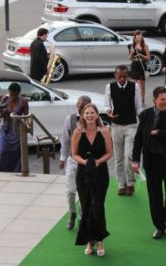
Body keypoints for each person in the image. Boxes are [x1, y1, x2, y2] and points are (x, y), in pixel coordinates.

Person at [132, 86, 166, 239]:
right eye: (162, 99)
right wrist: (135, 160)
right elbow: (139, 138)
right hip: (151, 162)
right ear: (154, 100)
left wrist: (158, 133)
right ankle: (159, 226)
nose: (165, 102)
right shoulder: (145, 115)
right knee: (154, 197)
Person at [72, 104, 112, 257]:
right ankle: (89, 241)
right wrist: (86, 163)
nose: (89, 115)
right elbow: (74, 154)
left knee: (98, 206)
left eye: (92, 113)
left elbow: (109, 153)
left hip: (101, 173)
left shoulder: (105, 131)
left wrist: (97, 161)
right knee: (87, 206)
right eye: (86, 113)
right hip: (83, 174)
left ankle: (100, 239)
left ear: (97, 115)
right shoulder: (77, 132)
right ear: (82, 115)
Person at [104, 65, 142, 196]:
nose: (122, 79)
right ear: (115, 76)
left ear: (128, 76)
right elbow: (107, 105)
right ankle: (121, 184)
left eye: (124, 76)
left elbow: (138, 107)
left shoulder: (134, 87)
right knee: (118, 158)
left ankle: (130, 183)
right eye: (119, 76)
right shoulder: (110, 87)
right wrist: (109, 113)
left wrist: (142, 121)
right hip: (116, 126)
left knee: (128, 156)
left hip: (131, 125)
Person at [59, 95, 92, 230]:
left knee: (84, 192)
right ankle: (72, 212)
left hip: (86, 162)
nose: (81, 107)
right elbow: (65, 139)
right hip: (73, 160)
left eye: (84, 105)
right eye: (79, 104)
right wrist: (62, 158)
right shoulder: (70, 119)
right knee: (70, 191)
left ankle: (82, 217)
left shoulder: (94, 119)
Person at [0, 83, 29, 173]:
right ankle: (1, 170)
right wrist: (3, 112)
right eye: (10, 94)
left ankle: (16, 170)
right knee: (2, 150)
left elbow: (26, 117)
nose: (12, 96)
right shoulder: (5, 98)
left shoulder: (23, 102)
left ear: (18, 93)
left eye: (14, 95)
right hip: (5, 128)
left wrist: (27, 125)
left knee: (17, 152)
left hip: (16, 129)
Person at [129, 30, 150, 106]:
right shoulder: (132, 46)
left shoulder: (145, 46)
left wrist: (141, 56)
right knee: (133, 84)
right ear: (135, 37)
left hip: (142, 65)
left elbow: (148, 58)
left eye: (140, 35)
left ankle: (142, 100)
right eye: (137, 36)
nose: (139, 37)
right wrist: (131, 52)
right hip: (134, 64)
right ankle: (134, 100)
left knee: (142, 84)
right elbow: (130, 58)